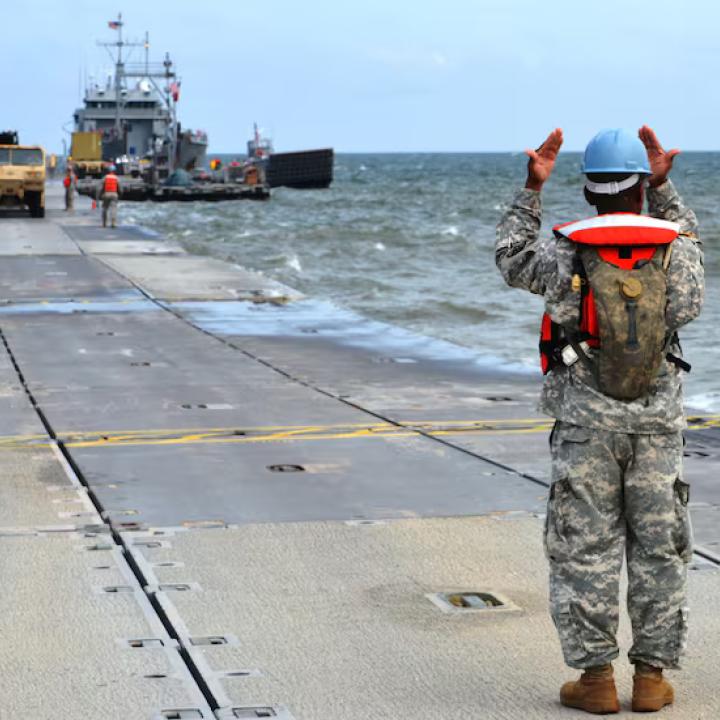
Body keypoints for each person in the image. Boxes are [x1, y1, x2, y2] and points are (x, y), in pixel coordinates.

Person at [496, 126, 704, 714]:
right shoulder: (678, 245)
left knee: (584, 546)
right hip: (658, 423)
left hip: (586, 423)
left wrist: (531, 190)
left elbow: (510, 260)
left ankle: (595, 682)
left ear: (588, 192)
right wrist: (666, 193)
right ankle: (651, 679)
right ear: (641, 185)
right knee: (659, 546)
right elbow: (687, 301)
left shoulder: (562, 249)